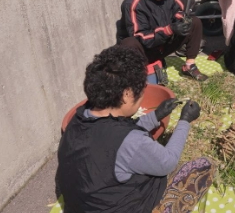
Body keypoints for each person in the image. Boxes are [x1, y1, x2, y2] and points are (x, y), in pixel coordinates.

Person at [56, 45, 212, 213]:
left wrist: (155, 115)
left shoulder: (79, 118)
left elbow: (113, 137)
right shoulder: (131, 141)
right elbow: (168, 162)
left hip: (82, 204)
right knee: (205, 166)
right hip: (122, 207)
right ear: (127, 94)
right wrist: (185, 120)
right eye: (141, 90)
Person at [116, 0, 208, 82]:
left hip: (164, 44)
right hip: (146, 49)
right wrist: (169, 29)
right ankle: (142, 74)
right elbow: (141, 36)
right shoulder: (133, 3)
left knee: (194, 22)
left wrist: (182, 19)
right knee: (129, 43)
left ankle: (189, 66)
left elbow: (177, 10)